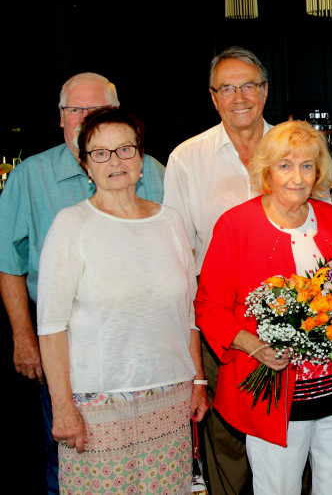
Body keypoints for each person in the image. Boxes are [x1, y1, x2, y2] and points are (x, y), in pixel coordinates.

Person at [0, 73, 165, 494]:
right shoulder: (28, 178)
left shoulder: (154, 174)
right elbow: (10, 266)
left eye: (95, 110)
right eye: (74, 109)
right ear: (60, 117)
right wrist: (23, 338)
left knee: (142, 457)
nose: (83, 118)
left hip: (142, 343)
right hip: (62, 340)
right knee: (71, 448)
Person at [36, 107, 208, 492]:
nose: (115, 161)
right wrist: (63, 407)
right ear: (86, 165)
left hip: (170, 401)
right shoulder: (71, 226)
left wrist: (198, 380)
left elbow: (188, 314)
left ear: (142, 158)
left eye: (125, 149)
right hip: (98, 408)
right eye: (101, 153)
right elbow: (50, 326)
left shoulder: (172, 222)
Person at [194, 120, 332, 494]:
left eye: (307, 165)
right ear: (266, 171)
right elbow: (209, 307)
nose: (297, 177)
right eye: (285, 165)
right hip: (274, 398)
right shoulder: (235, 226)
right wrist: (253, 345)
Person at [163, 46, 274, 494]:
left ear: (265, 91)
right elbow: (178, 253)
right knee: (226, 439)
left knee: (288, 438)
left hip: (293, 316)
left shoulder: (296, 145)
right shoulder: (188, 158)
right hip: (219, 321)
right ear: (213, 98)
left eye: (249, 84)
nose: (239, 96)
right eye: (227, 88)